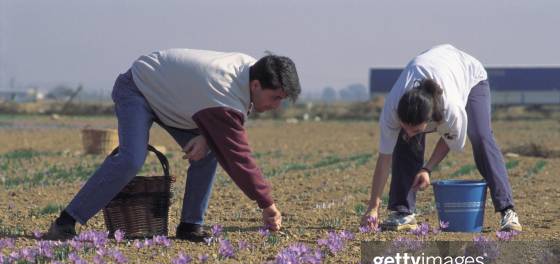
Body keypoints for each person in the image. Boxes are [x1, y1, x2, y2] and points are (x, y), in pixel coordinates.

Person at [44, 49, 301, 241]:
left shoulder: (250, 70)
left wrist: (208, 137)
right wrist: (267, 203)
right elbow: (238, 157)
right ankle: (66, 221)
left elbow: (221, 123)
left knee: (210, 151)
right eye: (275, 97)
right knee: (131, 159)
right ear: (256, 85)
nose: (277, 105)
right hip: (139, 88)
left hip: (173, 101)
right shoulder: (225, 87)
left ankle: (190, 226)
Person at [360, 44, 521, 232]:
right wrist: (373, 207)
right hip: (434, 68)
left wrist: (427, 168)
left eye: (416, 129)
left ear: (430, 121)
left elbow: (450, 139)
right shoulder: (393, 108)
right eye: (405, 127)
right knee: (405, 141)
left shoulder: (450, 109)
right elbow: (384, 159)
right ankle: (403, 212)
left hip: (470, 76)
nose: (410, 132)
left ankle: (507, 211)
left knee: (481, 136)